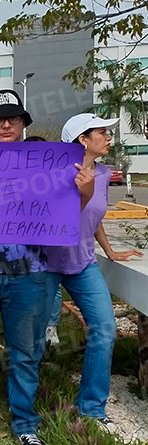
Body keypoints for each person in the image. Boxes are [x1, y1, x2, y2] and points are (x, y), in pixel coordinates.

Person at [0, 90, 94, 445]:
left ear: (24, 124)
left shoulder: (49, 165)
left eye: (14, 118)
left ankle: (26, 425)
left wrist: (85, 192)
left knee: (25, 353)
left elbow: (66, 216)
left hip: (30, 275)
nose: (8, 124)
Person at [44, 113, 143, 425]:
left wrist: (110, 250)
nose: (109, 138)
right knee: (30, 336)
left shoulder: (103, 173)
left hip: (84, 262)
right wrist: (81, 195)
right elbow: (57, 220)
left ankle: (91, 407)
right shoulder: (54, 174)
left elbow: (95, 217)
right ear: (83, 140)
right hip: (46, 264)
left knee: (105, 329)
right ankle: (29, 398)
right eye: (103, 132)